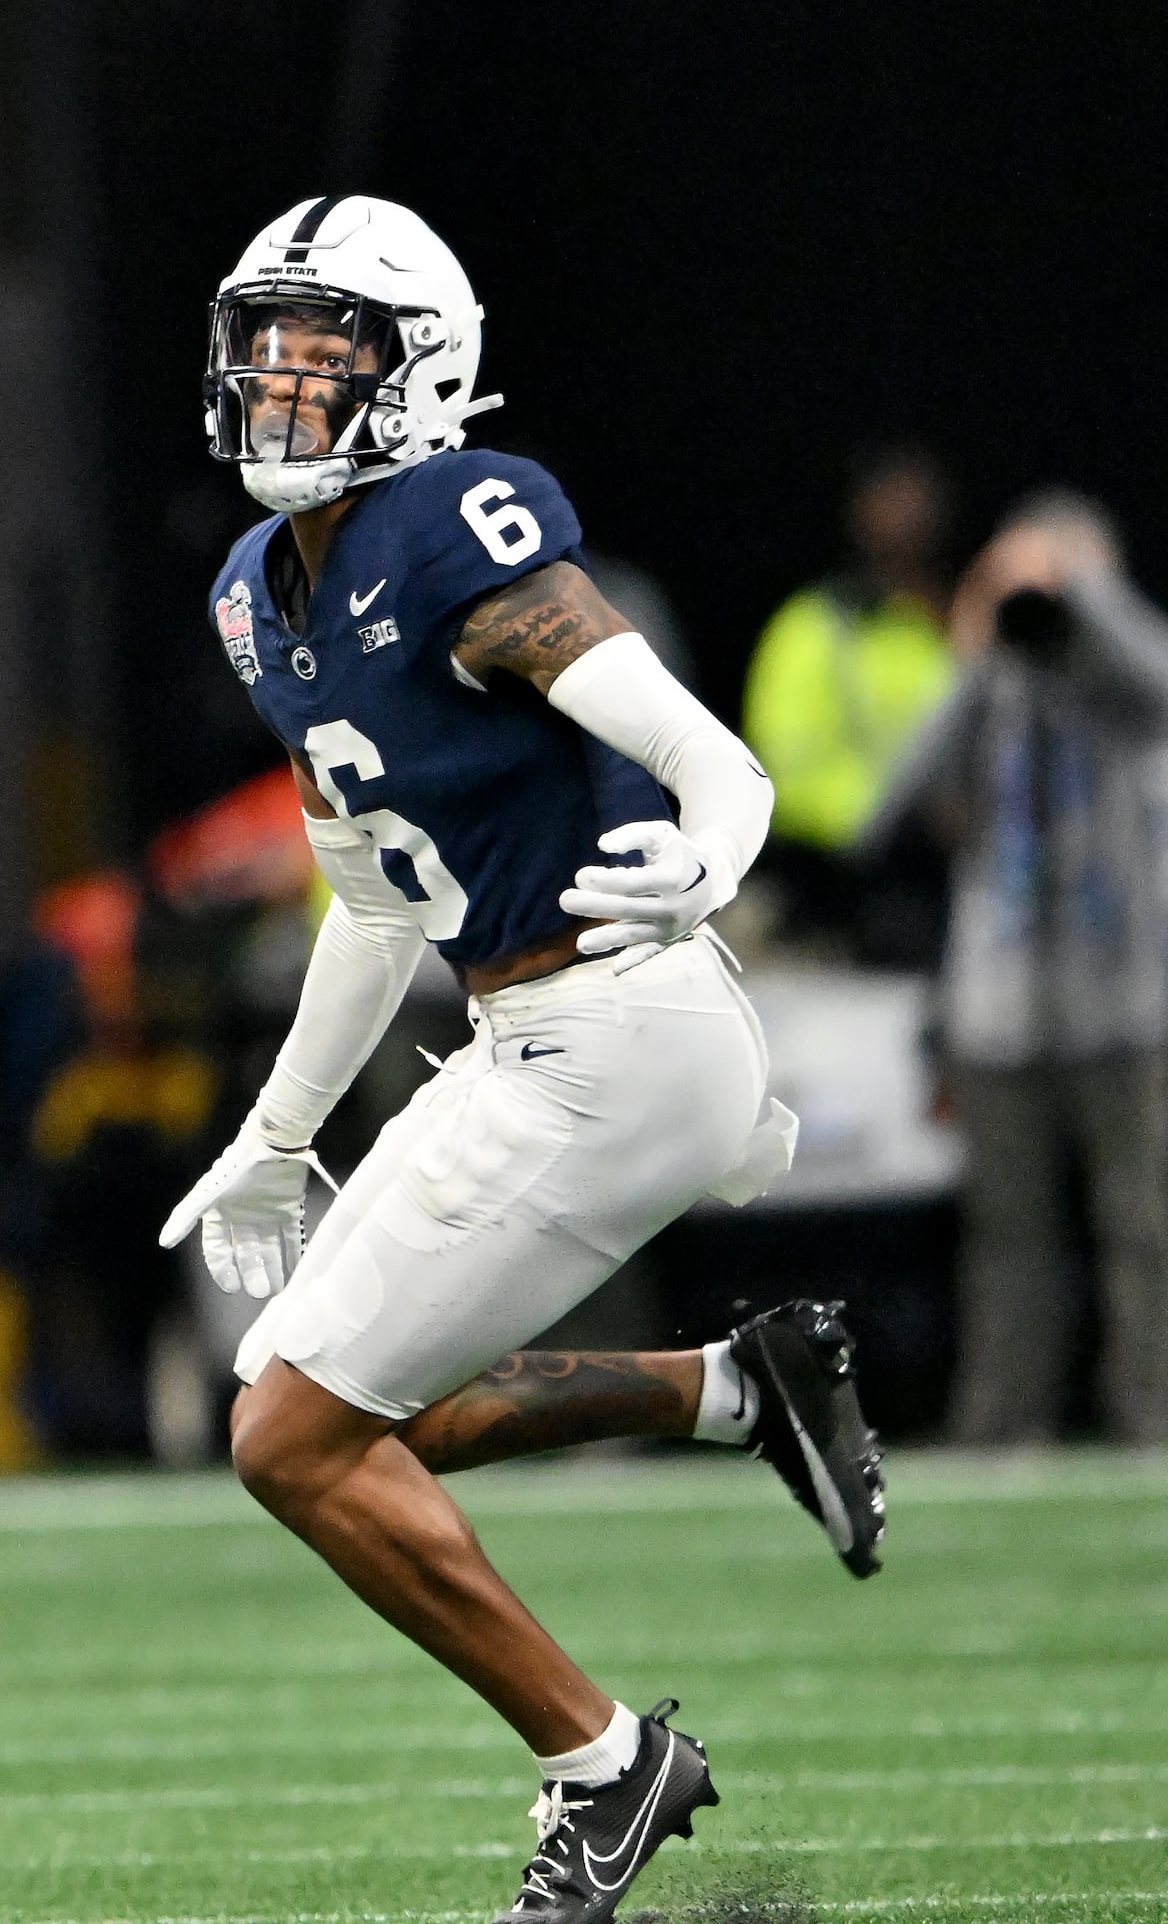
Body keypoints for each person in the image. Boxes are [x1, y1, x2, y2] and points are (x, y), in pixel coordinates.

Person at [158, 196, 889, 1924]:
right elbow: (372, 902)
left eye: (327, 348)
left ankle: (605, 1760)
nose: (282, 379)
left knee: (291, 1438)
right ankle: (736, 1385)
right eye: (267, 342)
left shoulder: (451, 525)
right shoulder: (261, 591)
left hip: (623, 1023)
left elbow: (710, 759)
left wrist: (714, 845)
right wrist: (275, 1131)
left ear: (421, 367)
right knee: (344, 1408)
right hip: (524, 1033)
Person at [860, 491, 1168, 1444]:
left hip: (1125, 1001)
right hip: (998, 1006)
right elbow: (890, 804)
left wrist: (1083, 593)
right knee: (1007, 1239)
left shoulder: (1126, 696)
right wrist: (976, 643)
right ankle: (1003, 1426)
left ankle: (1152, 1416)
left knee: (1145, 1229)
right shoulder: (988, 687)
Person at [745, 448, 957, 943]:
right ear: (861, 513)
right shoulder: (811, 625)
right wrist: (883, 820)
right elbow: (781, 767)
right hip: (830, 884)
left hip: (936, 882)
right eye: (893, 500)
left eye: (919, 503)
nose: (908, 518)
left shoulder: (951, 629)